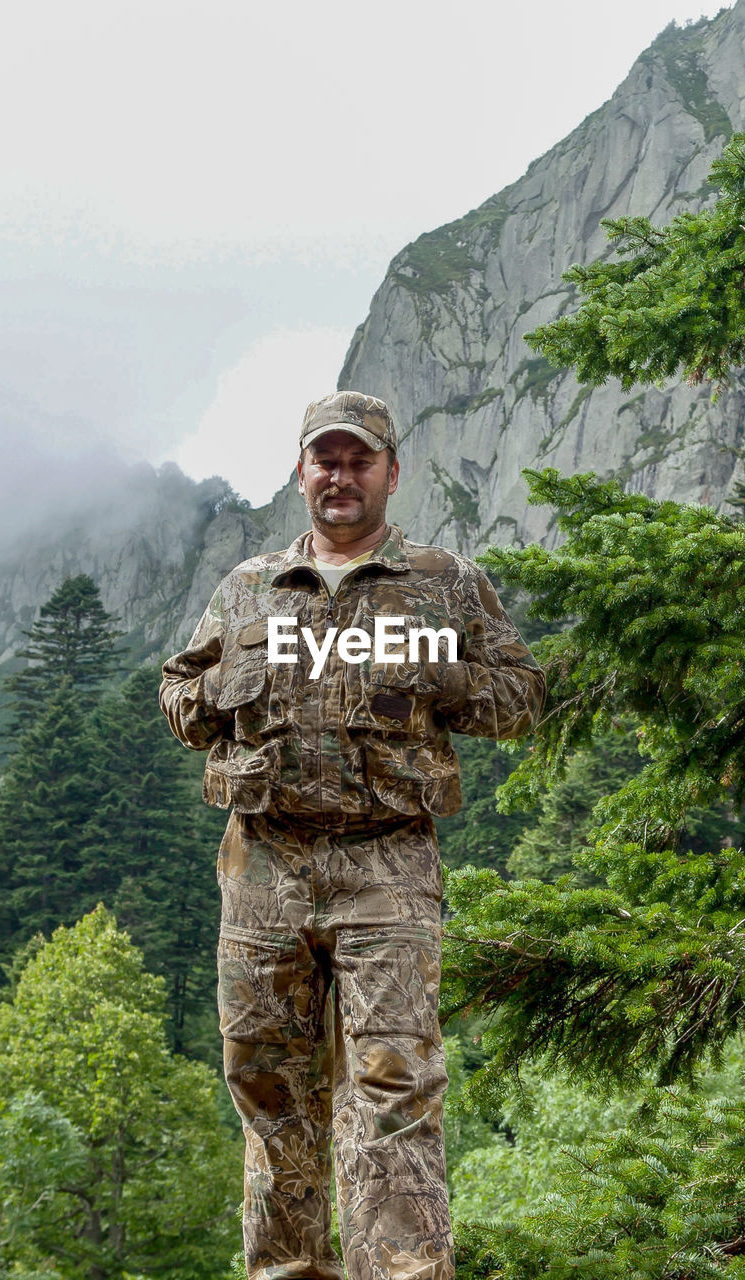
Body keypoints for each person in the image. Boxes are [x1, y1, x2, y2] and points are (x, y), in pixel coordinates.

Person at [159, 390, 545, 1280]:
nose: (340, 476)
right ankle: (287, 1272)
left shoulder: (443, 581)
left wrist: (435, 670)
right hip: (262, 865)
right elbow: (179, 699)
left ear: (390, 471)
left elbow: (521, 699)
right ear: (301, 473)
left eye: (358, 460)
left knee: (393, 1090)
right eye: (324, 460)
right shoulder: (248, 587)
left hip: (388, 864)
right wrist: (225, 691)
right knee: (268, 1090)